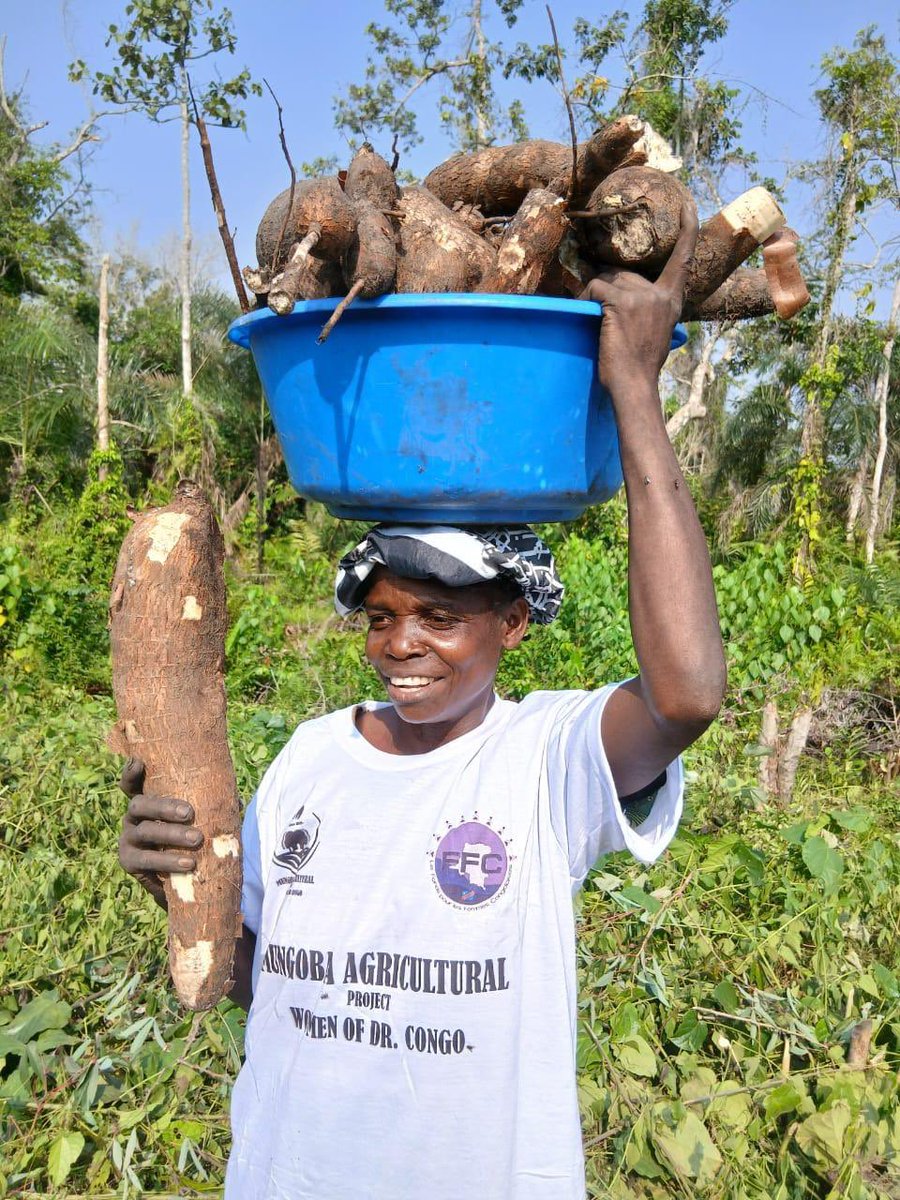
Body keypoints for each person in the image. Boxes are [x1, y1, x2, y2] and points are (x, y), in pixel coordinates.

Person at [118, 204, 726, 1199]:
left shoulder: (547, 758)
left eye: (439, 618)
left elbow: (690, 693)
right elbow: (259, 984)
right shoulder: (310, 757)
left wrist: (633, 391)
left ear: (513, 622)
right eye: (381, 616)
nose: (400, 645)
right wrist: (181, 895)